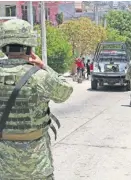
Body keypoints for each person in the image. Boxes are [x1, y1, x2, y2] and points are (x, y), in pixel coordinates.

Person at [0, 19, 73, 179]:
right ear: (29, 47)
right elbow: (65, 92)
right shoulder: (39, 76)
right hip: (36, 165)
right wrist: (44, 66)